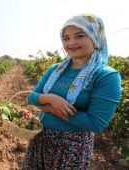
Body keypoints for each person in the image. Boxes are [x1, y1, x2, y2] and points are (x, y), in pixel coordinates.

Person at [22, 14, 122, 169]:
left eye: (79, 36)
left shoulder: (106, 76)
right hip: (40, 138)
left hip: (72, 147)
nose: (71, 43)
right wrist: (51, 98)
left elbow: (95, 123)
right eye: (66, 38)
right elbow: (32, 97)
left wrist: (47, 107)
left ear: (95, 37)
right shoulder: (55, 70)